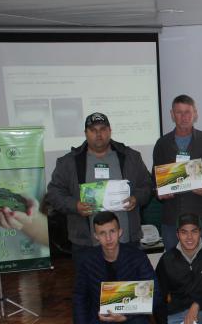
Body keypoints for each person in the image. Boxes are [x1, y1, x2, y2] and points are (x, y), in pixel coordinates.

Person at [72, 211, 166, 324]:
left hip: (130, 318)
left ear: (120, 232)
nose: (108, 238)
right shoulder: (86, 260)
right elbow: (79, 298)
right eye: (102, 233)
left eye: (112, 231)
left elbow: (155, 293)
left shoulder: (136, 256)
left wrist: (127, 316)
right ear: (95, 236)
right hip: (100, 321)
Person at [47, 112, 152, 268]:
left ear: (110, 131)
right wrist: (75, 205)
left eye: (102, 129)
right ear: (85, 133)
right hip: (86, 244)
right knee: (91, 289)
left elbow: (147, 186)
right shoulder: (69, 162)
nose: (98, 134)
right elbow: (54, 193)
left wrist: (136, 198)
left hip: (126, 241)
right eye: (93, 130)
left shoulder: (130, 157)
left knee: (128, 287)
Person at [153, 95, 202, 250]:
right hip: (171, 217)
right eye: (179, 112)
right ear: (172, 114)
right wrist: (159, 191)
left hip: (201, 215)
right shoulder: (162, 144)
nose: (184, 117)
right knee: (173, 264)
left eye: (187, 112)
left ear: (195, 114)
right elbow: (155, 179)